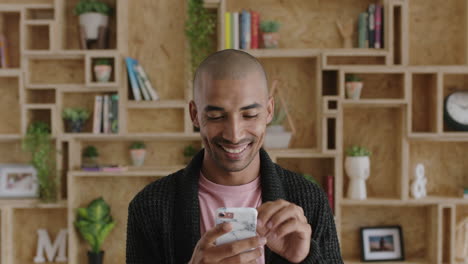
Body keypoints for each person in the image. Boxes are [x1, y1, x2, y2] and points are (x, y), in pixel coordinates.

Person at [126, 49, 343, 263]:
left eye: (250, 115)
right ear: (194, 114)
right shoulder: (150, 207)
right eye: (216, 116)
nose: (234, 134)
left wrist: (305, 259)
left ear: (269, 111)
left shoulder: (309, 200)